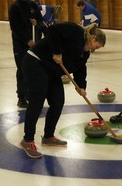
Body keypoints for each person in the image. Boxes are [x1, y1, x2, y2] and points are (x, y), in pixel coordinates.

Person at [19, 22, 106, 158]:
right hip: (36, 62)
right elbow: (52, 30)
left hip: (51, 70)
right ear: (93, 38)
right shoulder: (75, 31)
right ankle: (27, 140)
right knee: (37, 101)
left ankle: (48, 136)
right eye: (97, 46)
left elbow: (80, 68)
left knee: (58, 102)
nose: (96, 49)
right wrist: (57, 52)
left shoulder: (85, 53)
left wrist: (81, 86)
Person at [8, 0, 42, 108]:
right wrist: (27, 40)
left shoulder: (33, 5)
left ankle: (31, 94)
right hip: (21, 45)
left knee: (34, 70)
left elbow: (40, 21)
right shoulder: (14, 7)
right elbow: (15, 28)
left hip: (35, 44)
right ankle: (21, 97)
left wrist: (36, 23)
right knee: (22, 70)